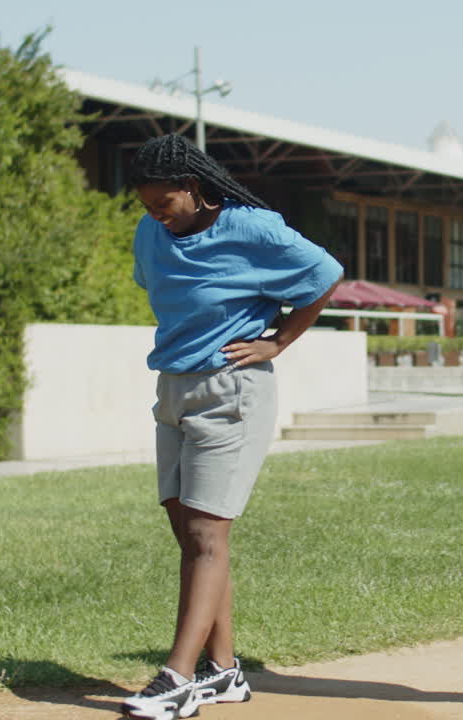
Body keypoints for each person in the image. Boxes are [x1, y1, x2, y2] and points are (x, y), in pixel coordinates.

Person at [122, 134, 343, 720]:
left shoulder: (254, 228)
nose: (153, 216)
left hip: (231, 393)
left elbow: (325, 272)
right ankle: (223, 672)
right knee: (189, 534)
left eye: (162, 204)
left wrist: (281, 338)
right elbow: (160, 287)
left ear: (192, 188)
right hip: (172, 389)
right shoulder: (153, 232)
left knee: (205, 538)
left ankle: (177, 679)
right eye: (146, 206)